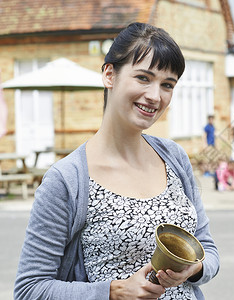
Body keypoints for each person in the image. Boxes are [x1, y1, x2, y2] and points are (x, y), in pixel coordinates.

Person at [14, 23, 219, 300]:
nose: (155, 96)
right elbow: (30, 290)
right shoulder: (67, 180)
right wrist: (112, 292)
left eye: (167, 84)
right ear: (110, 74)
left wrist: (193, 269)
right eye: (143, 78)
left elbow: (207, 248)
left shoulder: (175, 157)